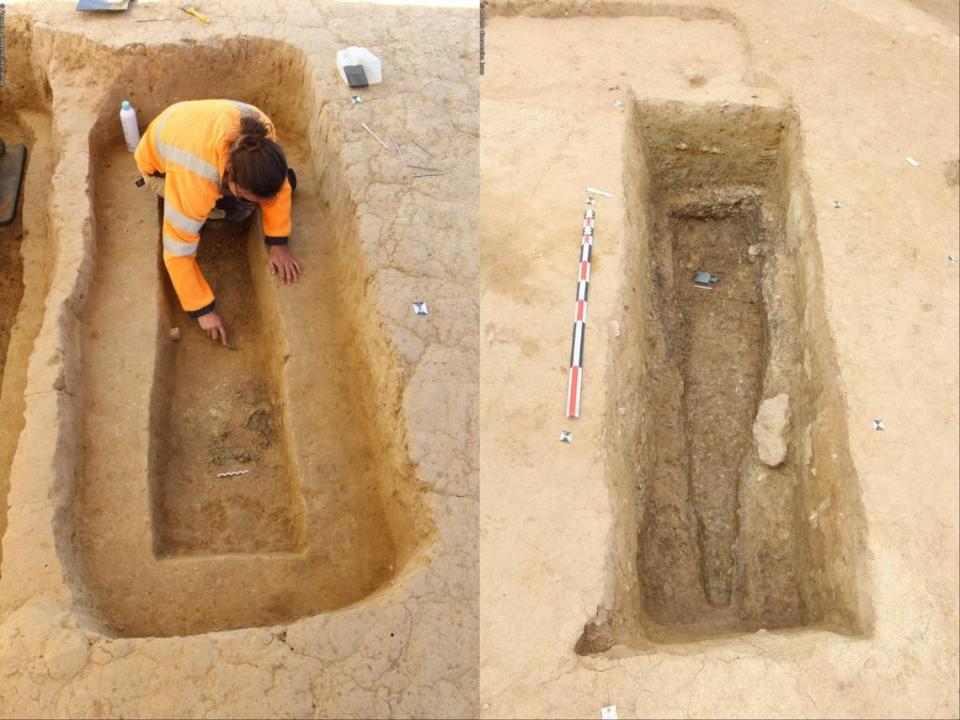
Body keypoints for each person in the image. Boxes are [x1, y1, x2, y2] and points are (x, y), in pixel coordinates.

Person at [134, 99, 302, 345]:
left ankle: (243, 200)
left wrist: (279, 243)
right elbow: (177, 252)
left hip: (185, 124)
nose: (260, 203)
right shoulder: (195, 181)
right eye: (249, 194)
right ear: (231, 177)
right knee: (240, 211)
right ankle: (229, 206)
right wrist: (202, 310)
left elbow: (281, 189)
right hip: (158, 168)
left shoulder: (262, 130)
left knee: (275, 188)